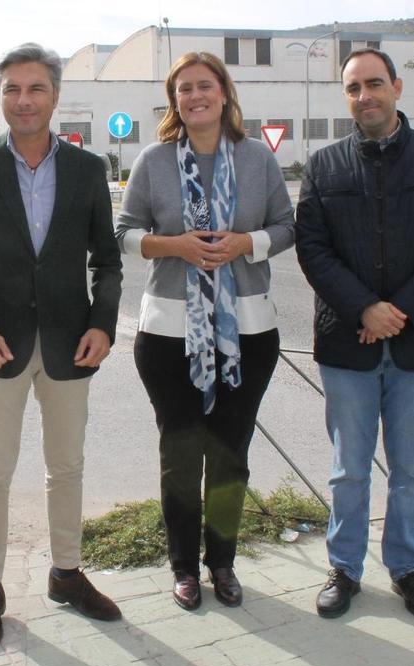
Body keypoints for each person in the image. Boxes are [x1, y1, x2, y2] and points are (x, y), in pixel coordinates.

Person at [0, 42, 124, 648]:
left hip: (71, 343)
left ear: (55, 97)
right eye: (12, 89)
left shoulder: (88, 170)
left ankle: (67, 573)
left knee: (66, 467)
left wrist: (104, 323)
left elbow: (108, 261)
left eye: (35, 88)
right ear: (2, 97)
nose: (23, 100)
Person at [295, 48, 414, 621]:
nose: (365, 96)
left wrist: (399, 311)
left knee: (410, 469)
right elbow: (313, 250)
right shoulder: (323, 167)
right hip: (347, 344)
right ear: (345, 96)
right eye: (353, 88)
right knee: (349, 467)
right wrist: (364, 309)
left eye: (374, 84)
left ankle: (406, 567)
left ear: (397, 88)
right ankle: (344, 568)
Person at [114, 52, 295, 611]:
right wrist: (176, 246)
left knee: (229, 455)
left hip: (248, 332)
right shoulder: (153, 161)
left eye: (204, 86)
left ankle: (222, 563)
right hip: (170, 335)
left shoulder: (259, 160)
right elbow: (121, 233)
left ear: (223, 93)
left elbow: (287, 227)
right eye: (184, 89)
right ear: (174, 101)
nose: (195, 96)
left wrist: (247, 243)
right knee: (181, 454)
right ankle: (184, 569)